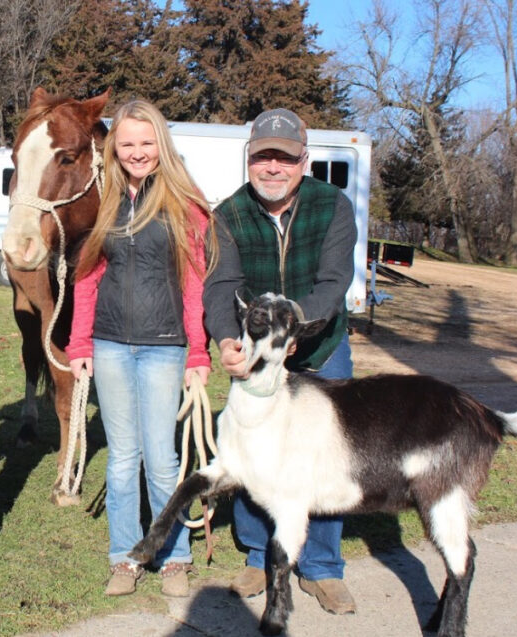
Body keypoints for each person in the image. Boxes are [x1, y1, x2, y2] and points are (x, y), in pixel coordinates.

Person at [204, 108, 358, 614]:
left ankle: (322, 566)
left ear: (303, 161)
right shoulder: (227, 214)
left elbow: (334, 282)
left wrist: (295, 327)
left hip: (321, 346)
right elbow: (221, 286)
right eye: (263, 156)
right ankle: (257, 555)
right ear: (249, 159)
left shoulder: (332, 206)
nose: (273, 167)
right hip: (258, 355)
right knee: (254, 450)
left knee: (325, 454)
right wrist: (228, 340)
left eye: (285, 158)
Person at [66, 99, 217, 598]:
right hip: (109, 345)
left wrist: (198, 352)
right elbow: (87, 277)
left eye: (146, 142)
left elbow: (194, 284)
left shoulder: (184, 204)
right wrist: (79, 341)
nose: (137, 152)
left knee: (162, 459)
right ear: (114, 148)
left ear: (161, 145)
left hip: (163, 347)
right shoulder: (106, 200)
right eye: (127, 143)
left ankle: (173, 556)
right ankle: (125, 557)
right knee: (121, 459)